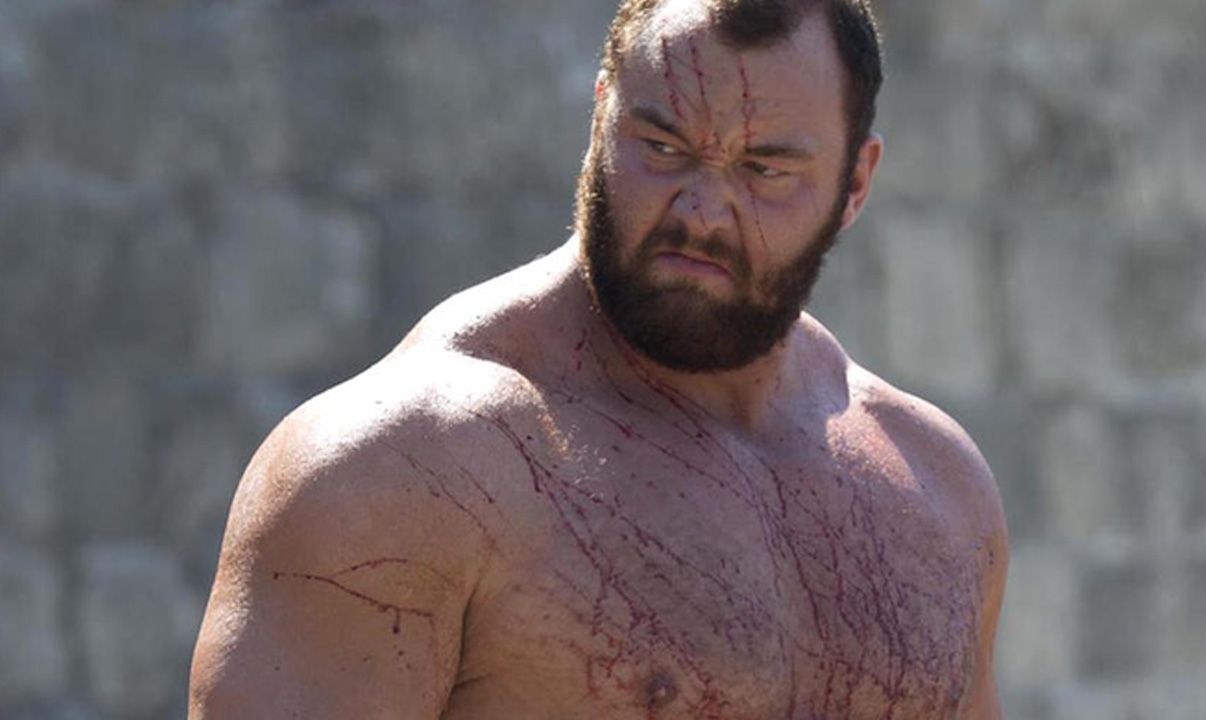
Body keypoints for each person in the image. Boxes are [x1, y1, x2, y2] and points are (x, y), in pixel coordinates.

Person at [189, 0, 1010, 717]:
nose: (702, 211)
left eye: (764, 169)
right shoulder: (402, 470)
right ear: (601, 118)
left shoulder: (935, 486)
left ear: (855, 182)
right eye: (663, 146)